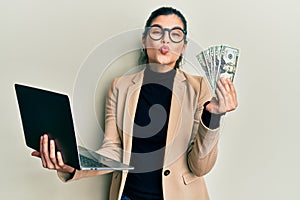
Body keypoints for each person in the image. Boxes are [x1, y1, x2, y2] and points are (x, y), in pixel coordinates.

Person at [32, 7, 238, 200]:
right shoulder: (120, 87)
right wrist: (72, 165)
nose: (165, 39)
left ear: (183, 46)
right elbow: (113, 151)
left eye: (175, 34)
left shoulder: (199, 88)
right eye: (157, 32)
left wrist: (213, 117)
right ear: (144, 40)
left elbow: (199, 166)